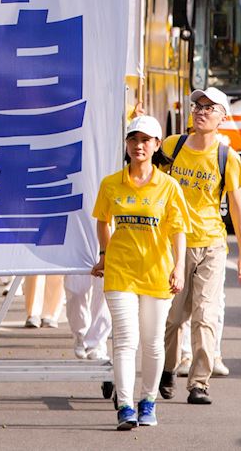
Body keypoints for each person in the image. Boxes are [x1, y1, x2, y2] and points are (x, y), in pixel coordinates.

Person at [92, 115, 188, 430]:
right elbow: (102, 221)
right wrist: (105, 255)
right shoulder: (111, 184)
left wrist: (179, 267)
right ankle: (124, 405)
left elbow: (178, 231)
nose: (138, 146)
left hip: (157, 273)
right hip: (120, 273)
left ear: (157, 145)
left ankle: (148, 401)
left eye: (145, 140)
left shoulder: (169, 186)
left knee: (152, 342)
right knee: (125, 340)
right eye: (133, 139)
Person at [158, 87, 241, 406]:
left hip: (211, 244)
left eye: (210, 108)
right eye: (198, 106)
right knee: (172, 317)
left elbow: (236, 205)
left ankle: (199, 382)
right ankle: (168, 369)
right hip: (174, 244)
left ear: (223, 118)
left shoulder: (228, 157)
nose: (201, 111)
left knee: (205, 316)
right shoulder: (173, 146)